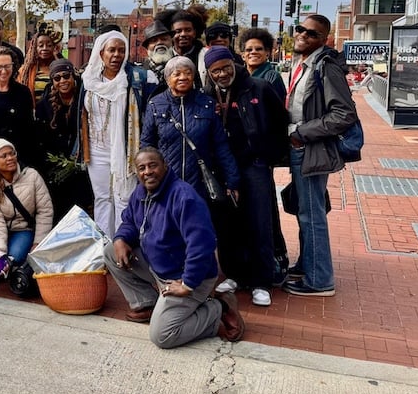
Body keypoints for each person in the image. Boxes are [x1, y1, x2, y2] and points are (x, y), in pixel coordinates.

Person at [105, 148, 244, 347]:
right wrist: (120, 239)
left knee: (162, 335)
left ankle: (218, 308)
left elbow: (202, 244)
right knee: (111, 252)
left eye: (153, 165)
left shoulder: (183, 197)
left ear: (165, 166)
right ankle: (147, 303)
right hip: (158, 268)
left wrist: (188, 284)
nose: (147, 172)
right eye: (142, 168)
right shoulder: (140, 193)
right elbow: (129, 222)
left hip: (186, 276)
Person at [202, 47, 289, 307]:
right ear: (209, 73)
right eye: (215, 70)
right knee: (228, 223)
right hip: (225, 169)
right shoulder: (208, 94)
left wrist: (268, 156)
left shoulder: (258, 88)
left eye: (225, 67)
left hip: (254, 166)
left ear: (234, 63)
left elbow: (281, 121)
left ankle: (261, 282)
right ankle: (235, 275)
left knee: (260, 222)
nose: (222, 74)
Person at [284, 14, 357, 297]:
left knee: (312, 215)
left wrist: (301, 132)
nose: (302, 34)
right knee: (304, 211)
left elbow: (344, 114)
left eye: (311, 33)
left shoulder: (326, 67)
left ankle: (320, 280)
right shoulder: (302, 63)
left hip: (311, 150)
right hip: (300, 148)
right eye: (300, 29)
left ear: (323, 39)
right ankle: (308, 264)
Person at [75, 29, 153, 238]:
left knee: (123, 198)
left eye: (121, 50)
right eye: (111, 50)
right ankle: (104, 246)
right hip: (96, 150)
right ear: (101, 53)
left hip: (126, 151)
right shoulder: (89, 80)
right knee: (102, 198)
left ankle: (122, 243)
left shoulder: (134, 79)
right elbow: (80, 115)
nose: (116, 55)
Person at [141, 56, 239, 206]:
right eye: (176, 74)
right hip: (166, 182)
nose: (183, 77)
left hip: (200, 183)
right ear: (167, 78)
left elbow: (221, 146)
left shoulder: (207, 104)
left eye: (188, 73)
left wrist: (232, 181)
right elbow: (147, 145)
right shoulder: (155, 104)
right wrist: (148, 179)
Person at [0, 138, 53, 289]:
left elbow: (45, 210)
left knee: (17, 255)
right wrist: (0, 251)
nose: (10, 158)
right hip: (0, 229)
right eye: (3, 156)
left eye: (12, 153)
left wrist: (38, 243)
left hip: (22, 230)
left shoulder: (32, 176)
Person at [34, 58, 93, 222]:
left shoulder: (85, 99)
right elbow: (40, 139)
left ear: (73, 76)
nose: (63, 81)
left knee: (82, 211)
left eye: (66, 76)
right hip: (56, 168)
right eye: (57, 78)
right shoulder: (45, 105)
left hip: (81, 166)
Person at [239, 27, 287, 102]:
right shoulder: (238, 77)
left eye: (259, 49)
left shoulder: (273, 78)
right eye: (249, 50)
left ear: (267, 53)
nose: (253, 52)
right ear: (243, 55)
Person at [19, 25, 61, 105]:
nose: (45, 48)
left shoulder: (61, 69)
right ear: (35, 48)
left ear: (54, 47)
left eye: (49, 45)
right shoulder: (25, 72)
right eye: (41, 45)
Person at [197, 22, 243, 87]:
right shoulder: (198, 57)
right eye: (213, 36)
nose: (219, 39)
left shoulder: (239, 60)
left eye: (223, 35)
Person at [171, 6, 207, 78]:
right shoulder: (164, 57)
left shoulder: (206, 55)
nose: (183, 34)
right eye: (178, 31)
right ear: (171, 34)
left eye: (188, 30)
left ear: (195, 32)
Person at [140, 20, 175, 94]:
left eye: (164, 39)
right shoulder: (140, 73)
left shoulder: (183, 67)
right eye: (154, 41)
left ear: (172, 43)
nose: (159, 43)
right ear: (147, 48)